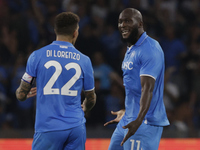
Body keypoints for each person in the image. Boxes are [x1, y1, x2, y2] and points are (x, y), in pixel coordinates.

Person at [16, 12, 96, 150]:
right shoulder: (84, 60)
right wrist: (86, 107)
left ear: (55, 30)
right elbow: (91, 98)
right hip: (76, 128)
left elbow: (21, 95)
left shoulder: (37, 56)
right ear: (75, 33)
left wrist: (22, 94)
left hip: (48, 128)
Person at [104, 8, 170, 150]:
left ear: (140, 23)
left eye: (128, 21)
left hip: (143, 123)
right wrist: (128, 110)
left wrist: (138, 120)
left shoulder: (150, 48)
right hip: (128, 119)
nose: (122, 25)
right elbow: (135, 89)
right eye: (120, 22)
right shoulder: (131, 48)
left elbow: (147, 89)